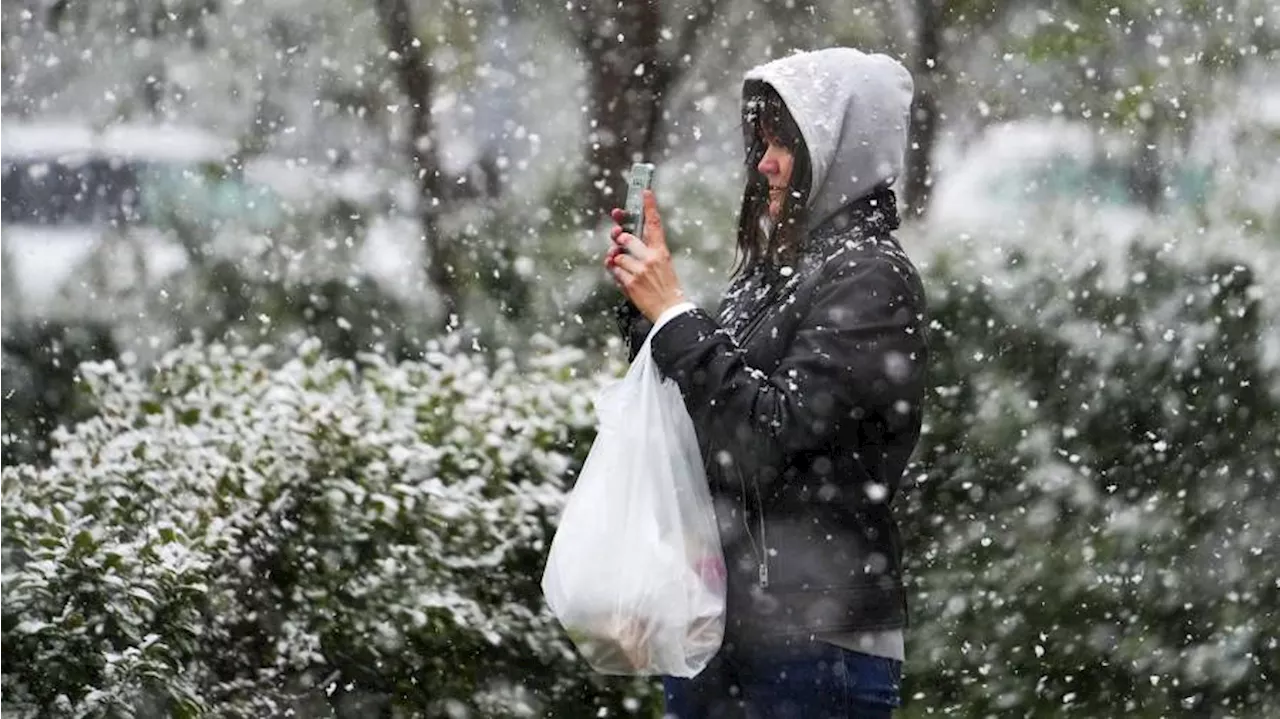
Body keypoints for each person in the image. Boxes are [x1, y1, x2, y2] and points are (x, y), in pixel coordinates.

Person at [603, 47, 928, 718]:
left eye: (787, 141)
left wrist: (674, 313)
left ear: (844, 149)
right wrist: (648, 312)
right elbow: (707, 415)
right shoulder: (774, 273)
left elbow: (767, 438)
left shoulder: (871, 278)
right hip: (722, 630)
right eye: (764, 139)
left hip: (813, 645)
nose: (766, 162)